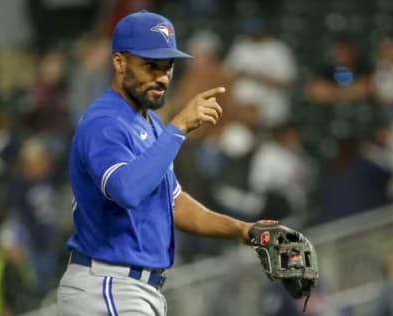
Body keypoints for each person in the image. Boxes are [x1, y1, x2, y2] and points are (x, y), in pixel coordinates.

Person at [56, 11, 279, 316]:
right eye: (150, 65)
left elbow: (174, 205)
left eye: (168, 66)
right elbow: (126, 190)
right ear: (119, 62)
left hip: (133, 289)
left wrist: (244, 231)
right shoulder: (104, 122)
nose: (161, 76)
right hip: (107, 286)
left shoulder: (151, 126)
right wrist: (179, 129)